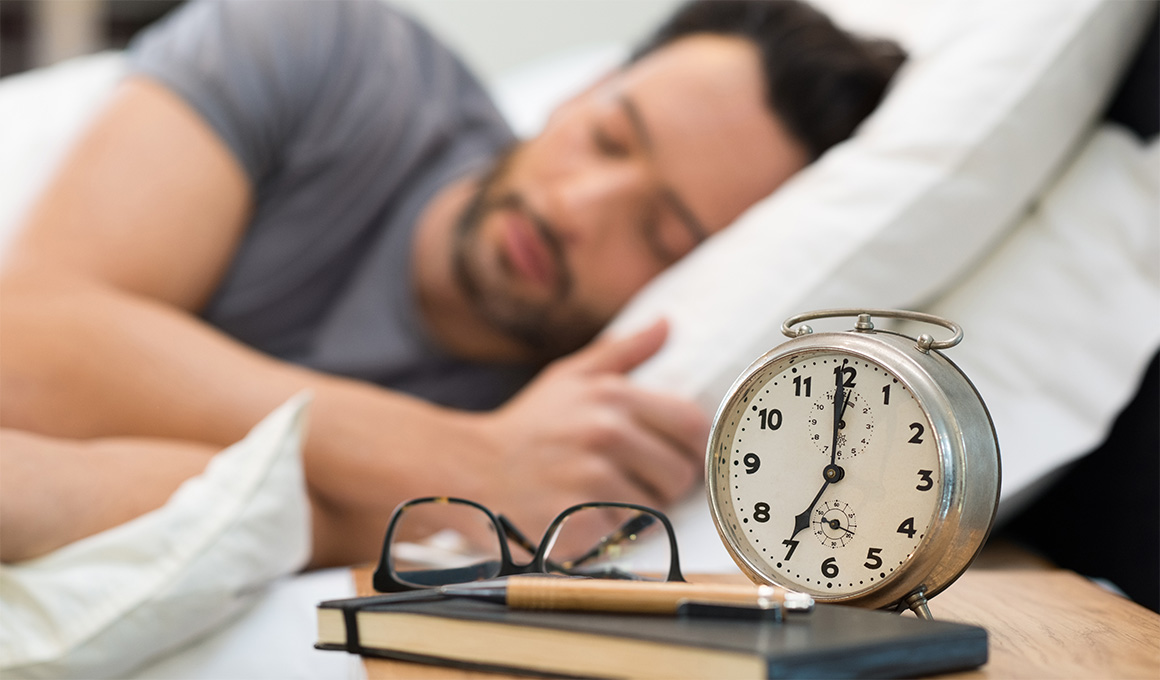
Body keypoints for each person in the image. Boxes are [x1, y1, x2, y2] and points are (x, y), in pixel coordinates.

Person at [0, 0, 904, 567]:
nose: (578, 208)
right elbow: (26, 340)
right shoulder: (321, 49)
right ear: (584, 89)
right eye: (608, 136)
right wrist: (456, 463)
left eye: (660, 232)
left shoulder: (570, 432)